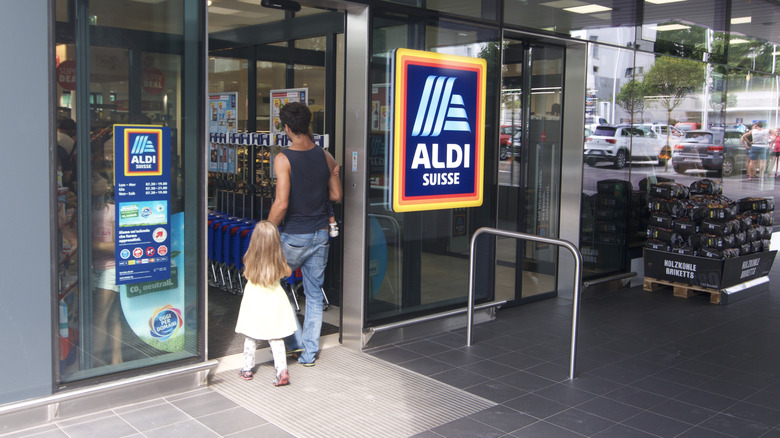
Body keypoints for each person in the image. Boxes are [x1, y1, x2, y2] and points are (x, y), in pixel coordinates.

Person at [268, 102, 342, 367]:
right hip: (321, 234)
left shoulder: (283, 158)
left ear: (286, 127)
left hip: (294, 236)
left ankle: (293, 342)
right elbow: (336, 195)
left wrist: (266, 228)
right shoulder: (323, 154)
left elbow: (281, 203)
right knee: (313, 294)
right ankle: (308, 354)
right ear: (308, 124)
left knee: (271, 284)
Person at [234, 221, 298, 386]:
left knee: (251, 335)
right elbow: (288, 272)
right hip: (275, 300)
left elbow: (248, 274)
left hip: (254, 300)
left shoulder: (250, 258)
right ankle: (282, 369)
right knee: (276, 337)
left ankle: (247, 369)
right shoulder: (279, 261)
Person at [91, 170, 123, 365]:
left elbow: (119, 247)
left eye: (95, 179)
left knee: (99, 316)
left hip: (110, 269)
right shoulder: (83, 210)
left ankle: (94, 361)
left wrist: (91, 244)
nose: (91, 182)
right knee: (113, 316)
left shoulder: (112, 210)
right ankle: (116, 360)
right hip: (95, 268)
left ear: (108, 186)